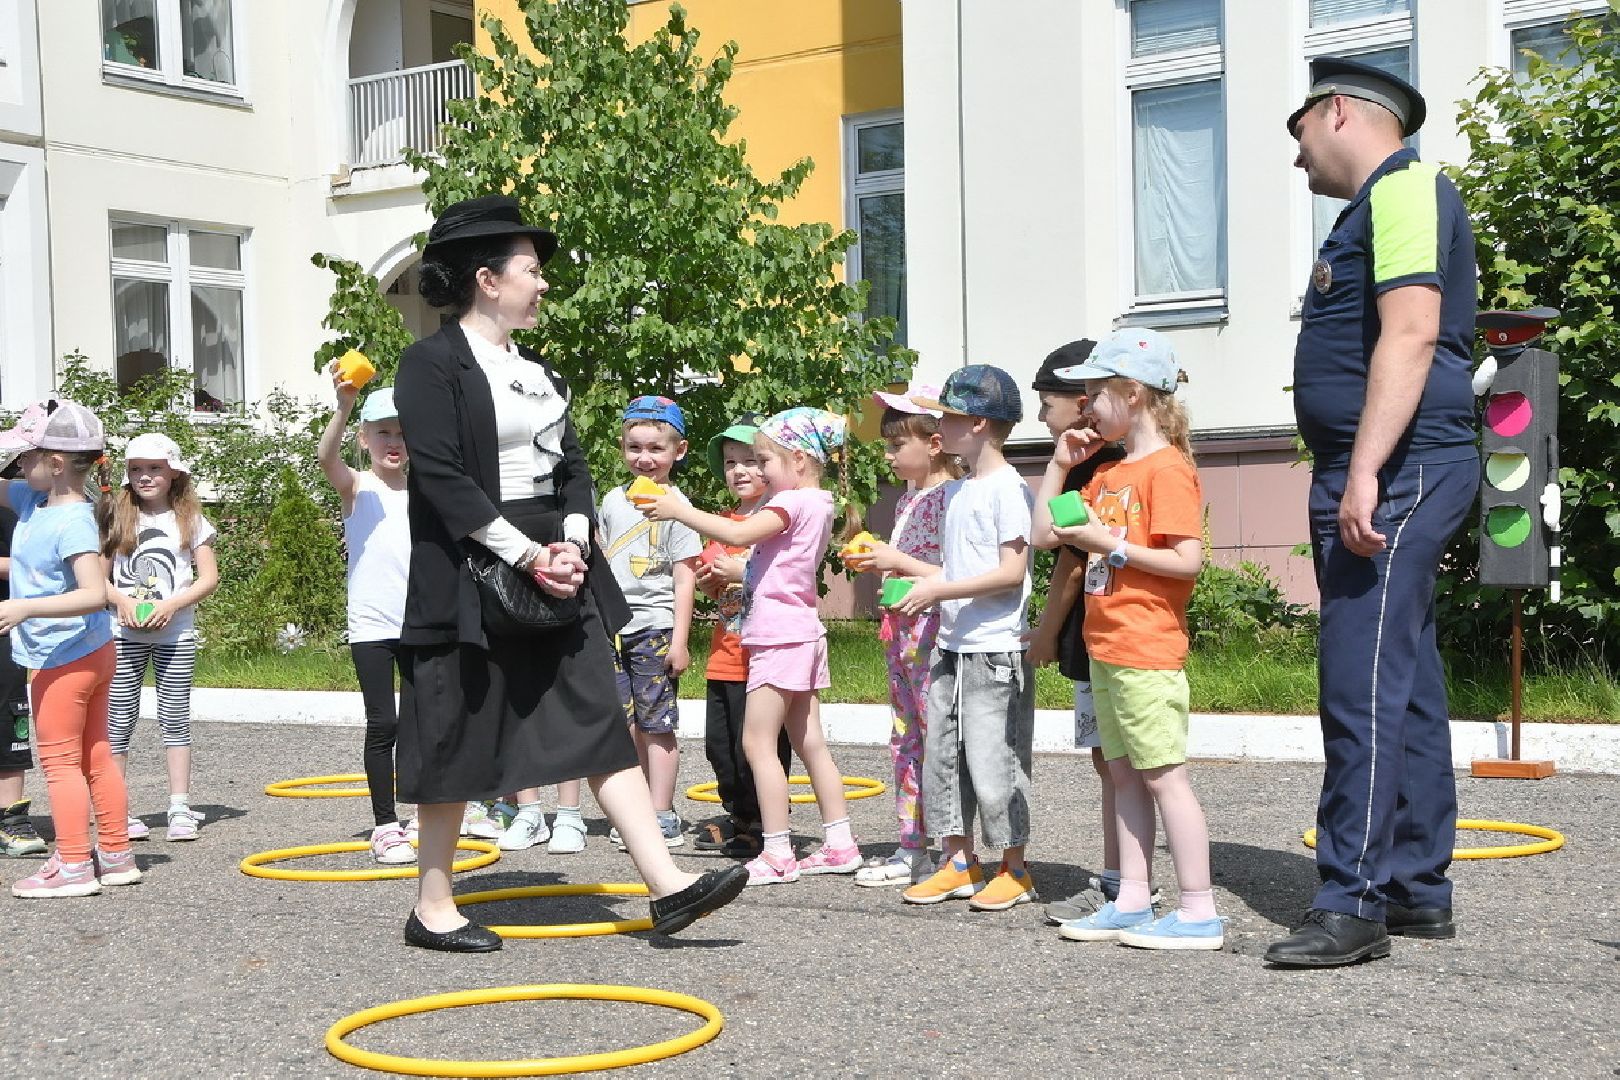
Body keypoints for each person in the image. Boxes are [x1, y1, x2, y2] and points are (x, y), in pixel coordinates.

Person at [391, 195, 745, 951]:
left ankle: (668, 887)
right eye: (531, 270)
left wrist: (575, 544)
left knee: (593, 717)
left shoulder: (538, 369)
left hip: (560, 559)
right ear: (488, 279)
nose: (543, 284)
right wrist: (525, 554)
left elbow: (573, 466)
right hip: (470, 569)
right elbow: (446, 479)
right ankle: (432, 907)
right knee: (456, 728)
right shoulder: (429, 364)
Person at [1267, 57, 1479, 967]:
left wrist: (1363, 472)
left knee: (1358, 680)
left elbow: (1413, 328)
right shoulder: (1382, 203)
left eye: (1299, 130)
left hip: (1397, 471)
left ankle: (1350, 901)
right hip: (1392, 466)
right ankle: (1414, 889)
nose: (1298, 155)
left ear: (1340, 110)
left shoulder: (1407, 185)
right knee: (1406, 678)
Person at [1030, 329, 1222, 950]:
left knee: (1165, 776)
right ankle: (1132, 898)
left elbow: (1187, 561)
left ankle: (1198, 909)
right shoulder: (1108, 472)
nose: (1086, 407)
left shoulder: (1167, 470)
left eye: (1094, 394)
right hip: (1106, 647)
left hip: (1146, 650)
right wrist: (1059, 463)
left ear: (1132, 393)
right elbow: (1042, 537)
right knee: (1124, 774)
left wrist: (1108, 544)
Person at [639, 407, 862, 886]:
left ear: (798, 459)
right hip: (800, 632)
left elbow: (739, 534)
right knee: (809, 743)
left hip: (777, 636)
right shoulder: (818, 501)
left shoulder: (792, 504)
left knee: (757, 743)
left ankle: (778, 851)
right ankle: (840, 842)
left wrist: (679, 509)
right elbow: (768, 564)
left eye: (766, 460)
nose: (758, 470)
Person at [891, 365, 1039, 912]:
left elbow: (1010, 572)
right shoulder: (955, 491)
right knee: (942, 757)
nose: (939, 428)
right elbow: (954, 564)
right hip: (951, 646)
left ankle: (1014, 868)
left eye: (948, 417)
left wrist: (940, 590)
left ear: (978, 423)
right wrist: (922, 583)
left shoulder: (1009, 489)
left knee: (995, 763)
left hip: (994, 650)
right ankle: (959, 861)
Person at [0, 400, 140, 897]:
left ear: (55, 462)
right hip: (88, 653)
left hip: (67, 657)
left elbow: (93, 594)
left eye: (26, 455)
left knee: (62, 762)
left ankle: (76, 864)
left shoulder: (73, 522)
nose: (17, 465)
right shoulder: (30, 502)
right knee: (95, 754)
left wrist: (24, 609)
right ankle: (117, 854)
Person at [1023, 342, 1139, 923]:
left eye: (1049, 403)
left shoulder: (1098, 467)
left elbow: (1070, 560)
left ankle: (1125, 882)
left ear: (1082, 401)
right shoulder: (1083, 461)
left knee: (1117, 759)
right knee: (1107, 758)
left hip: (1102, 630)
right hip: (1096, 630)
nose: (1043, 416)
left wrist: (1045, 633)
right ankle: (1120, 878)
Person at [842, 384, 959, 886]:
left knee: (937, 739)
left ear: (934, 444)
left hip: (933, 634)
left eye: (896, 445)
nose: (888, 454)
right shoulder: (909, 498)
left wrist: (895, 561)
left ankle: (951, 848)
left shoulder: (951, 497)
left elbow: (954, 572)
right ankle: (912, 844)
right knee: (904, 738)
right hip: (903, 633)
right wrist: (880, 563)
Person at [318, 377, 417, 864]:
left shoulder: (428, 489)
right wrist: (344, 406)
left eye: (402, 432)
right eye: (382, 433)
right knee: (384, 723)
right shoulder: (359, 487)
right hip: (374, 623)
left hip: (422, 621)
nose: (393, 442)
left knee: (427, 720)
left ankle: (428, 809)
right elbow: (325, 459)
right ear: (364, 439)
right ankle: (385, 823)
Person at [102, 433, 219, 843]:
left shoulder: (191, 522)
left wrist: (172, 605)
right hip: (123, 635)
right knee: (117, 720)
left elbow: (208, 578)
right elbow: (97, 579)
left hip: (175, 635)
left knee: (174, 719)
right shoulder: (116, 519)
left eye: (154, 469)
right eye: (136, 469)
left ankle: (179, 807)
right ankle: (116, 809)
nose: (144, 476)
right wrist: (120, 601)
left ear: (173, 474)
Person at [599, 395, 703, 849]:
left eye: (656, 449)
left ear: (678, 452)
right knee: (622, 723)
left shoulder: (679, 507)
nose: (644, 458)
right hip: (612, 629)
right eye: (634, 447)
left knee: (656, 723)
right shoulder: (612, 500)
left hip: (655, 627)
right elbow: (604, 559)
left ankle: (662, 813)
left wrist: (680, 641)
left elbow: (685, 579)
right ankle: (636, 809)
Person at [689, 413, 790, 859]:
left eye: (751, 460)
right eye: (731, 463)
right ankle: (738, 816)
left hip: (764, 657)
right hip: (724, 652)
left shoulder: (778, 518)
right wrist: (708, 579)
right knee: (721, 747)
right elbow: (706, 577)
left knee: (760, 747)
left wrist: (740, 571)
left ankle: (764, 826)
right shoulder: (722, 522)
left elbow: (785, 574)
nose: (741, 471)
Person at [0, 500, 45, 858]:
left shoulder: (16, 505)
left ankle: (9, 818)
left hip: (5, 627)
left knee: (9, 718)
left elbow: (34, 563)